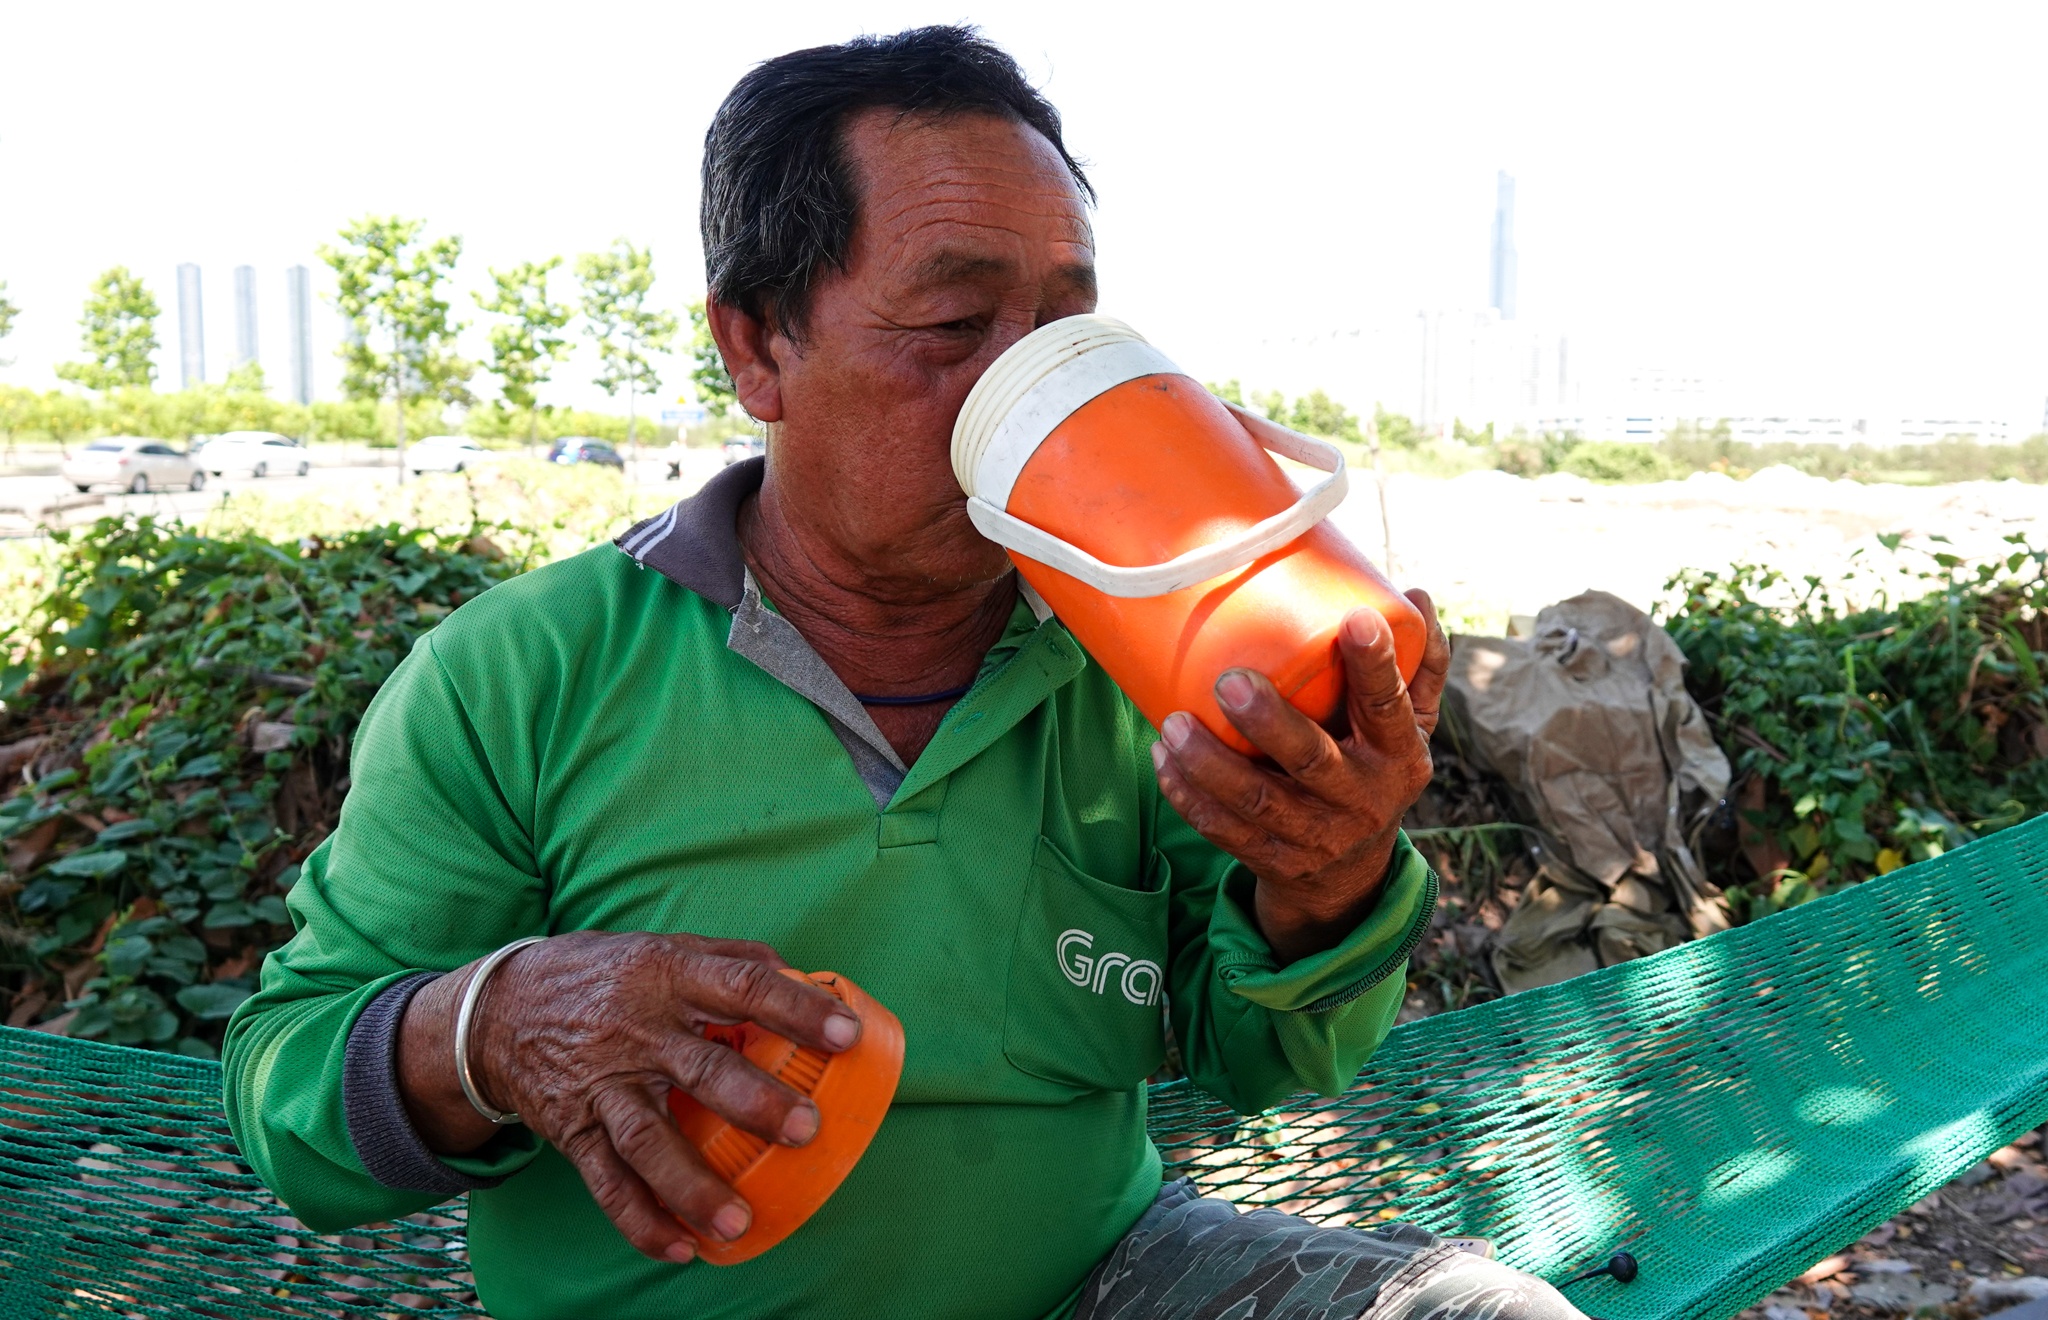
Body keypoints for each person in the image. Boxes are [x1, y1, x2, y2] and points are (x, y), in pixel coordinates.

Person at [223, 26, 1584, 1320]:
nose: (1033, 391)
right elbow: (288, 1100)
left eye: (1065, 329)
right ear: (759, 347)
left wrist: (1326, 873)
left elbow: (1268, 1059)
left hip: (1093, 1283)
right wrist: (494, 1022)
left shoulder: (1157, 648)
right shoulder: (522, 675)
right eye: (949, 330)